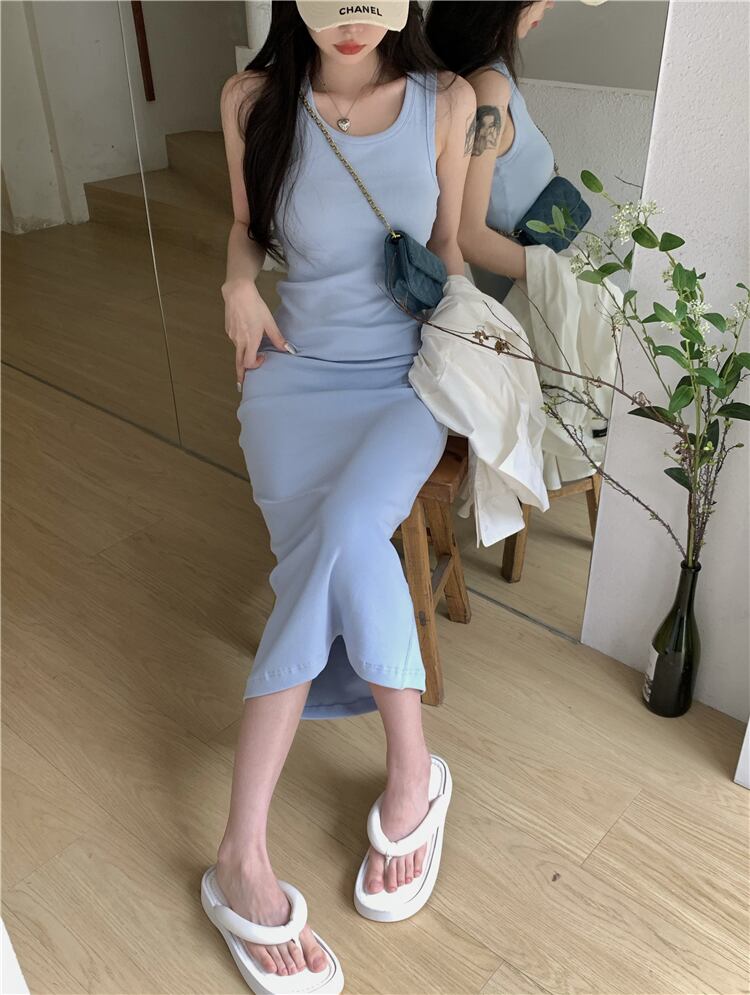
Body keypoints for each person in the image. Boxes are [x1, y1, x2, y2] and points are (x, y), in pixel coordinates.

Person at [207, 1, 474, 989]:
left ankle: (250, 846)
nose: (352, 17)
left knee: (348, 528)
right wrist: (238, 283)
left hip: (402, 381)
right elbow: (247, 230)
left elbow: (447, 246)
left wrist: (479, 350)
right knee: (331, 548)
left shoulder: (446, 101)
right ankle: (413, 786)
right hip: (290, 378)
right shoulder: (251, 100)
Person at [425, 0, 557, 303]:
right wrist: (561, 274)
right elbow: (466, 235)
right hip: (526, 300)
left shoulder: (491, 76)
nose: (551, 3)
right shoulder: (488, 87)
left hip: (533, 287)